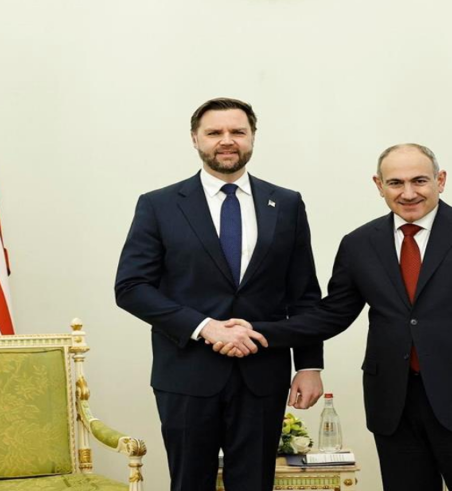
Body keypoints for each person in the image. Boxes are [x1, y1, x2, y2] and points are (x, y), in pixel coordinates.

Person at [218, 144, 452, 491]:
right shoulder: (359, 243)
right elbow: (332, 314)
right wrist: (259, 331)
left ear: (440, 180)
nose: (408, 193)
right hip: (394, 404)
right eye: (396, 183)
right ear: (379, 185)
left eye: (419, 181)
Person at [114, 98, 325, 491]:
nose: (227, 140)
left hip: (263, 374)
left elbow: (304, 293)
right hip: (186, 373)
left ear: (252, 137)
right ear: (195, 139)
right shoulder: (159, 205)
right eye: (214, 132)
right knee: (190, 483)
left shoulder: (287, 204)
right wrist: (205, 327)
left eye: (237, 132)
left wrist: (309, 365)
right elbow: (131, 288)